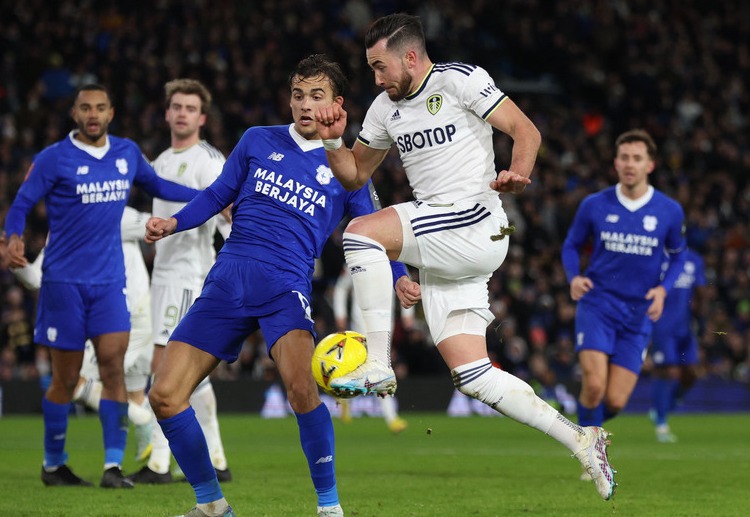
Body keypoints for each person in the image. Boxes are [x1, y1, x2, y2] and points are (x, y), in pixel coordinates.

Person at [314, 13, 616, 501]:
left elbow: (526, 131)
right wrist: (332, 140)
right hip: (446, 245)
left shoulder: (460, 81)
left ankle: (377, 361)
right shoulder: (382, 109)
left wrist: (518, 173)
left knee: (359, 234)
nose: (376, 78)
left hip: (474, 222)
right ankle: (582, 439)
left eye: (380, 67)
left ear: (410, 57)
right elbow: (353, 175)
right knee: (472, 375)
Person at [144, 54, 414, 517]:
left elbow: (376, 227)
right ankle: (211, 505)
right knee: (164, 396)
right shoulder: (257, 140)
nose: (304, 104)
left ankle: (329, 508)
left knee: (301, 391)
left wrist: (401, 276)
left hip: (285, 288)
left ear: (337, 103)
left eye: (316, 96)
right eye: (297, 94)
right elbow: (216, 195)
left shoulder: (348, 168)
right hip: (226, 281)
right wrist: (174, 222)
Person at [3, 83, 201, 488]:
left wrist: (212, 196)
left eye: (100, 108)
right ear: (75, 114)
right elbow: (21, 203)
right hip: (63, 284)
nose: (93, 114)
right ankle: (54, 464)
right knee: (66, 379)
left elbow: (160, 188)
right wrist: (13, 237)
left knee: (114, 370)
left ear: (111, 113)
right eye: (85, 108)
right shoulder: (53, 159)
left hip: (110, 283)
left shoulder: (126, 153)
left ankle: (112, 467)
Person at [127, 79, 233, 485]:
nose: (183, 113)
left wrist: (232, 266)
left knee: (165, 365)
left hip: (191, 274)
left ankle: (158, 463)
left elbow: (230, 212)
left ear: (202, 117)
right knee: (190, 372)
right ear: (168, 113)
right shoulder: (159, 161)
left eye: (191, 107)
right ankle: (218, 459)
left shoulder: (209, 160)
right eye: (177, 106)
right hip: (164, 274)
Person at [560, 129, 687, 448]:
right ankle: (590, 454)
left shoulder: (669, 210)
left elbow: (679, 254)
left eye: (637, 158)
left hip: (638, 313)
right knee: (594, 385)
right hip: (597, 304)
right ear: (616, 163)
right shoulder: (594, 205)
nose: (630, 164)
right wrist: (574, 276)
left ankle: (582, 432)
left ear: (650, 165)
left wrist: (663, 290)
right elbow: (571, 245)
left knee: (615, 401)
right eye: (625, 158)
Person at [8, 207, 156, 461]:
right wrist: (17, 265)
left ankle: (143, 424)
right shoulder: (61, 228)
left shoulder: (115, 212)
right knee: (135, 394)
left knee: (73, 379)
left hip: (129, 316)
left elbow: (160, 226)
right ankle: (160, 465)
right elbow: (35, 278)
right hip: (115, 316)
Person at [331, 264, 409, 433]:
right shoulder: (357, 256)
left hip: (386, 322)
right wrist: (340, 315)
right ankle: (392, 418)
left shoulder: (393, 259)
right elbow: (341, 288)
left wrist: (407, 314)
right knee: (378, 366)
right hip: (362, 323)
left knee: (371, 366)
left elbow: (406, 285)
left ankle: (344, 398)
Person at [649, 247, 705, 442]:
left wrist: (701, 319)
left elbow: (700, 290)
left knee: (691, 373)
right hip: (662, 325)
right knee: (668, 371)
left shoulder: (694, 259)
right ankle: (661, 424)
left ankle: (666, 406)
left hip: (685, 326)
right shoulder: (656, 258)